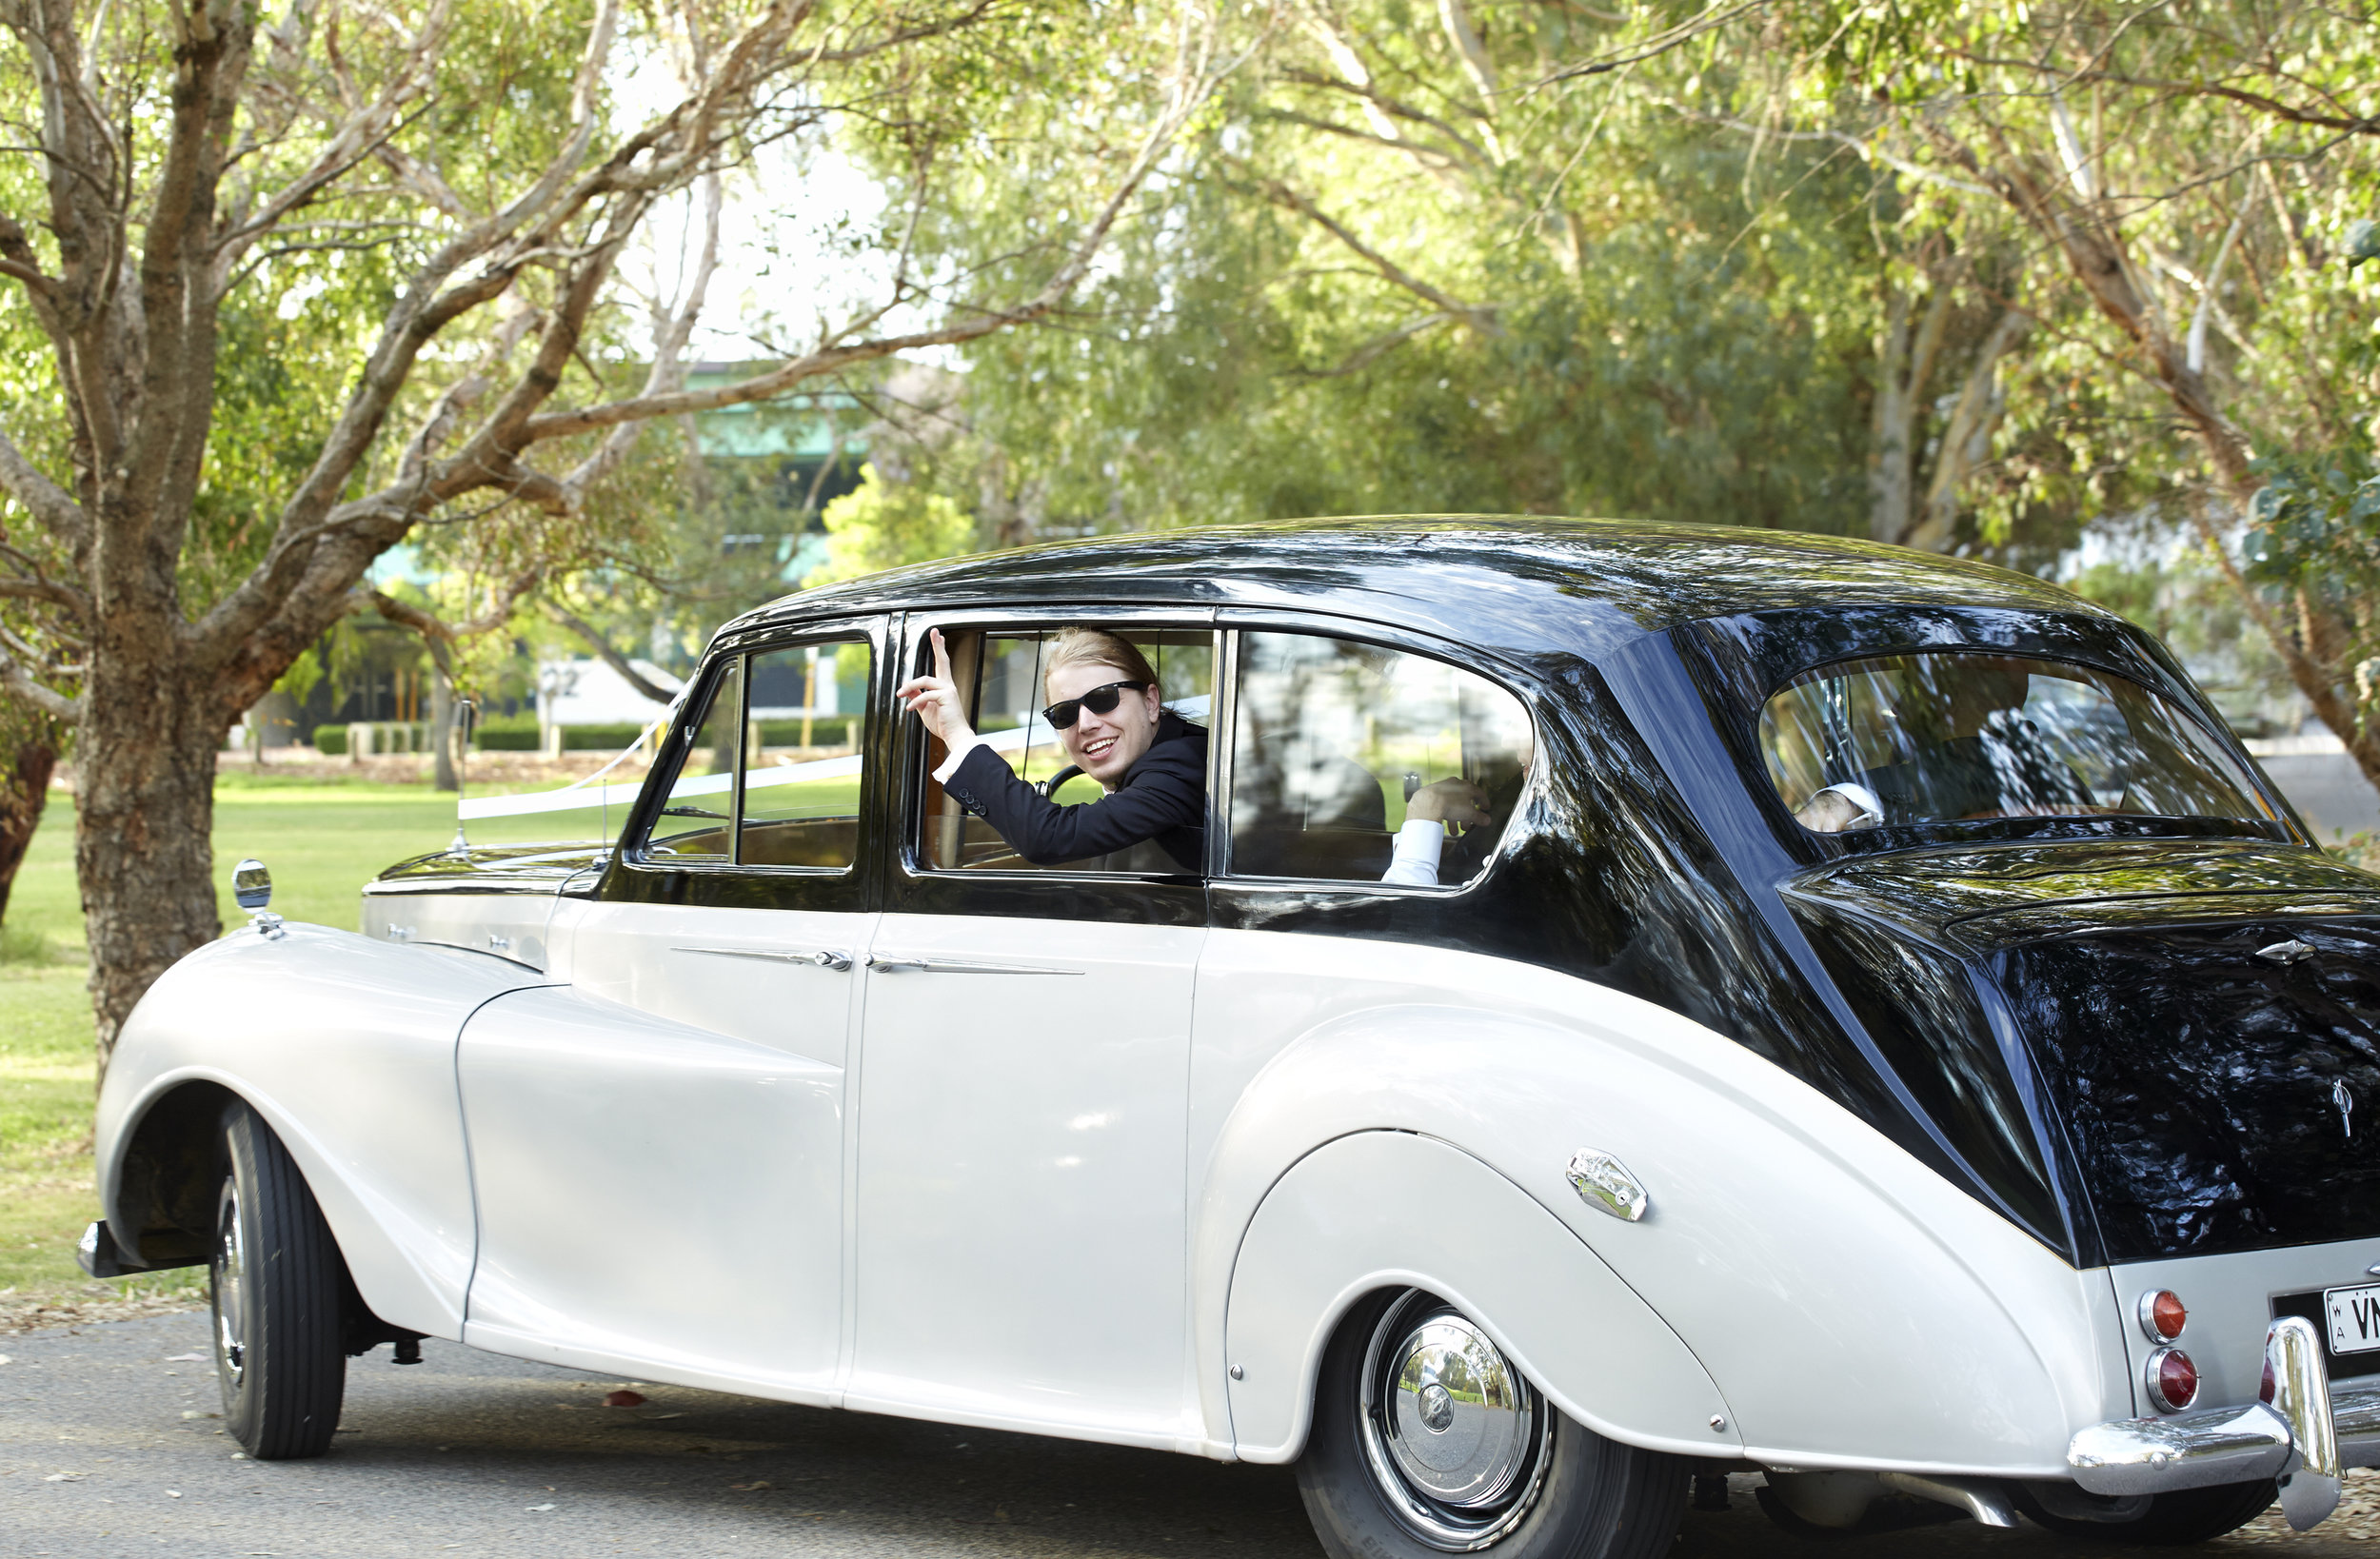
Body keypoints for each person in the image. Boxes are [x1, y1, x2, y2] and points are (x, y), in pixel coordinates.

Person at [900, 626, 1208, 870]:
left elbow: (1049, 837)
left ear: (1151, 702)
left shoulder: (1183, 762)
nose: (1085, 724)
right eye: (1065, 713)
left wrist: (956, 736)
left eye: (1103, 699)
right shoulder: (1152, 767)